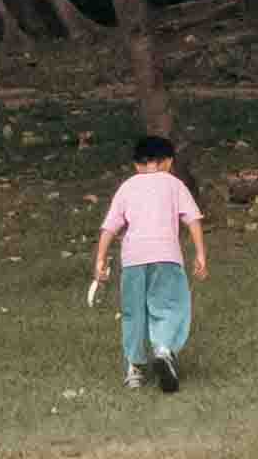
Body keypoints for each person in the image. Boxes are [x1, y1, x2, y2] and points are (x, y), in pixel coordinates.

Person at [87, 130, 209, 394]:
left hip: (133, 259)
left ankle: (134, 368)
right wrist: (200, 253)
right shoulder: (174, 184)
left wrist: (100, 260)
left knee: (133, 311)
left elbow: (110, 227)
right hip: (166, 256)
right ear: (168, 162)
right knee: (170, 304)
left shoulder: (127, 187)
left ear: (137, 164)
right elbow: (192, 219)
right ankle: (164, 349)